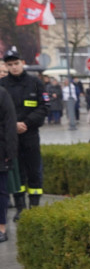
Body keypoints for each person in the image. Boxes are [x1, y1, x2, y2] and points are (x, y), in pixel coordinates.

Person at [0, 50, 47, 221]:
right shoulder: (2, 85)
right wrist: (13, 125)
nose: (13, 67)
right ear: (6, 66)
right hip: (9, 137)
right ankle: (20, 207)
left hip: (30, 133)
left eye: (16, 63)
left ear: (22, 62)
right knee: (15, 171)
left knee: (34, 171)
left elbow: (44, 107)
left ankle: (34, 207)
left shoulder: (35, 83)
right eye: (9, 65)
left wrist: (26, 123)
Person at [0, 84, 16, 242]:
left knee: (1, 192)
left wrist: (10, 152)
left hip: (0, 150)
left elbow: (10, 124)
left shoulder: (2, 94)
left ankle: (1, 227)